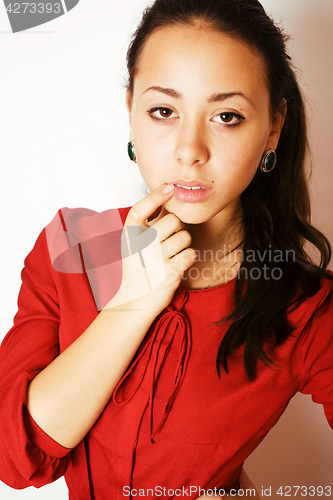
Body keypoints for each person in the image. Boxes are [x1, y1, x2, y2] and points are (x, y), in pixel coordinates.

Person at [0, 0, 332, 498]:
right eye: (163, 111)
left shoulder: (306, 307)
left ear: (273, 126)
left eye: (226, 115)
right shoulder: (68, 248)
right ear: (130, 110)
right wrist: (131, 306)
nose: (189, 150)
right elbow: (14, 458)